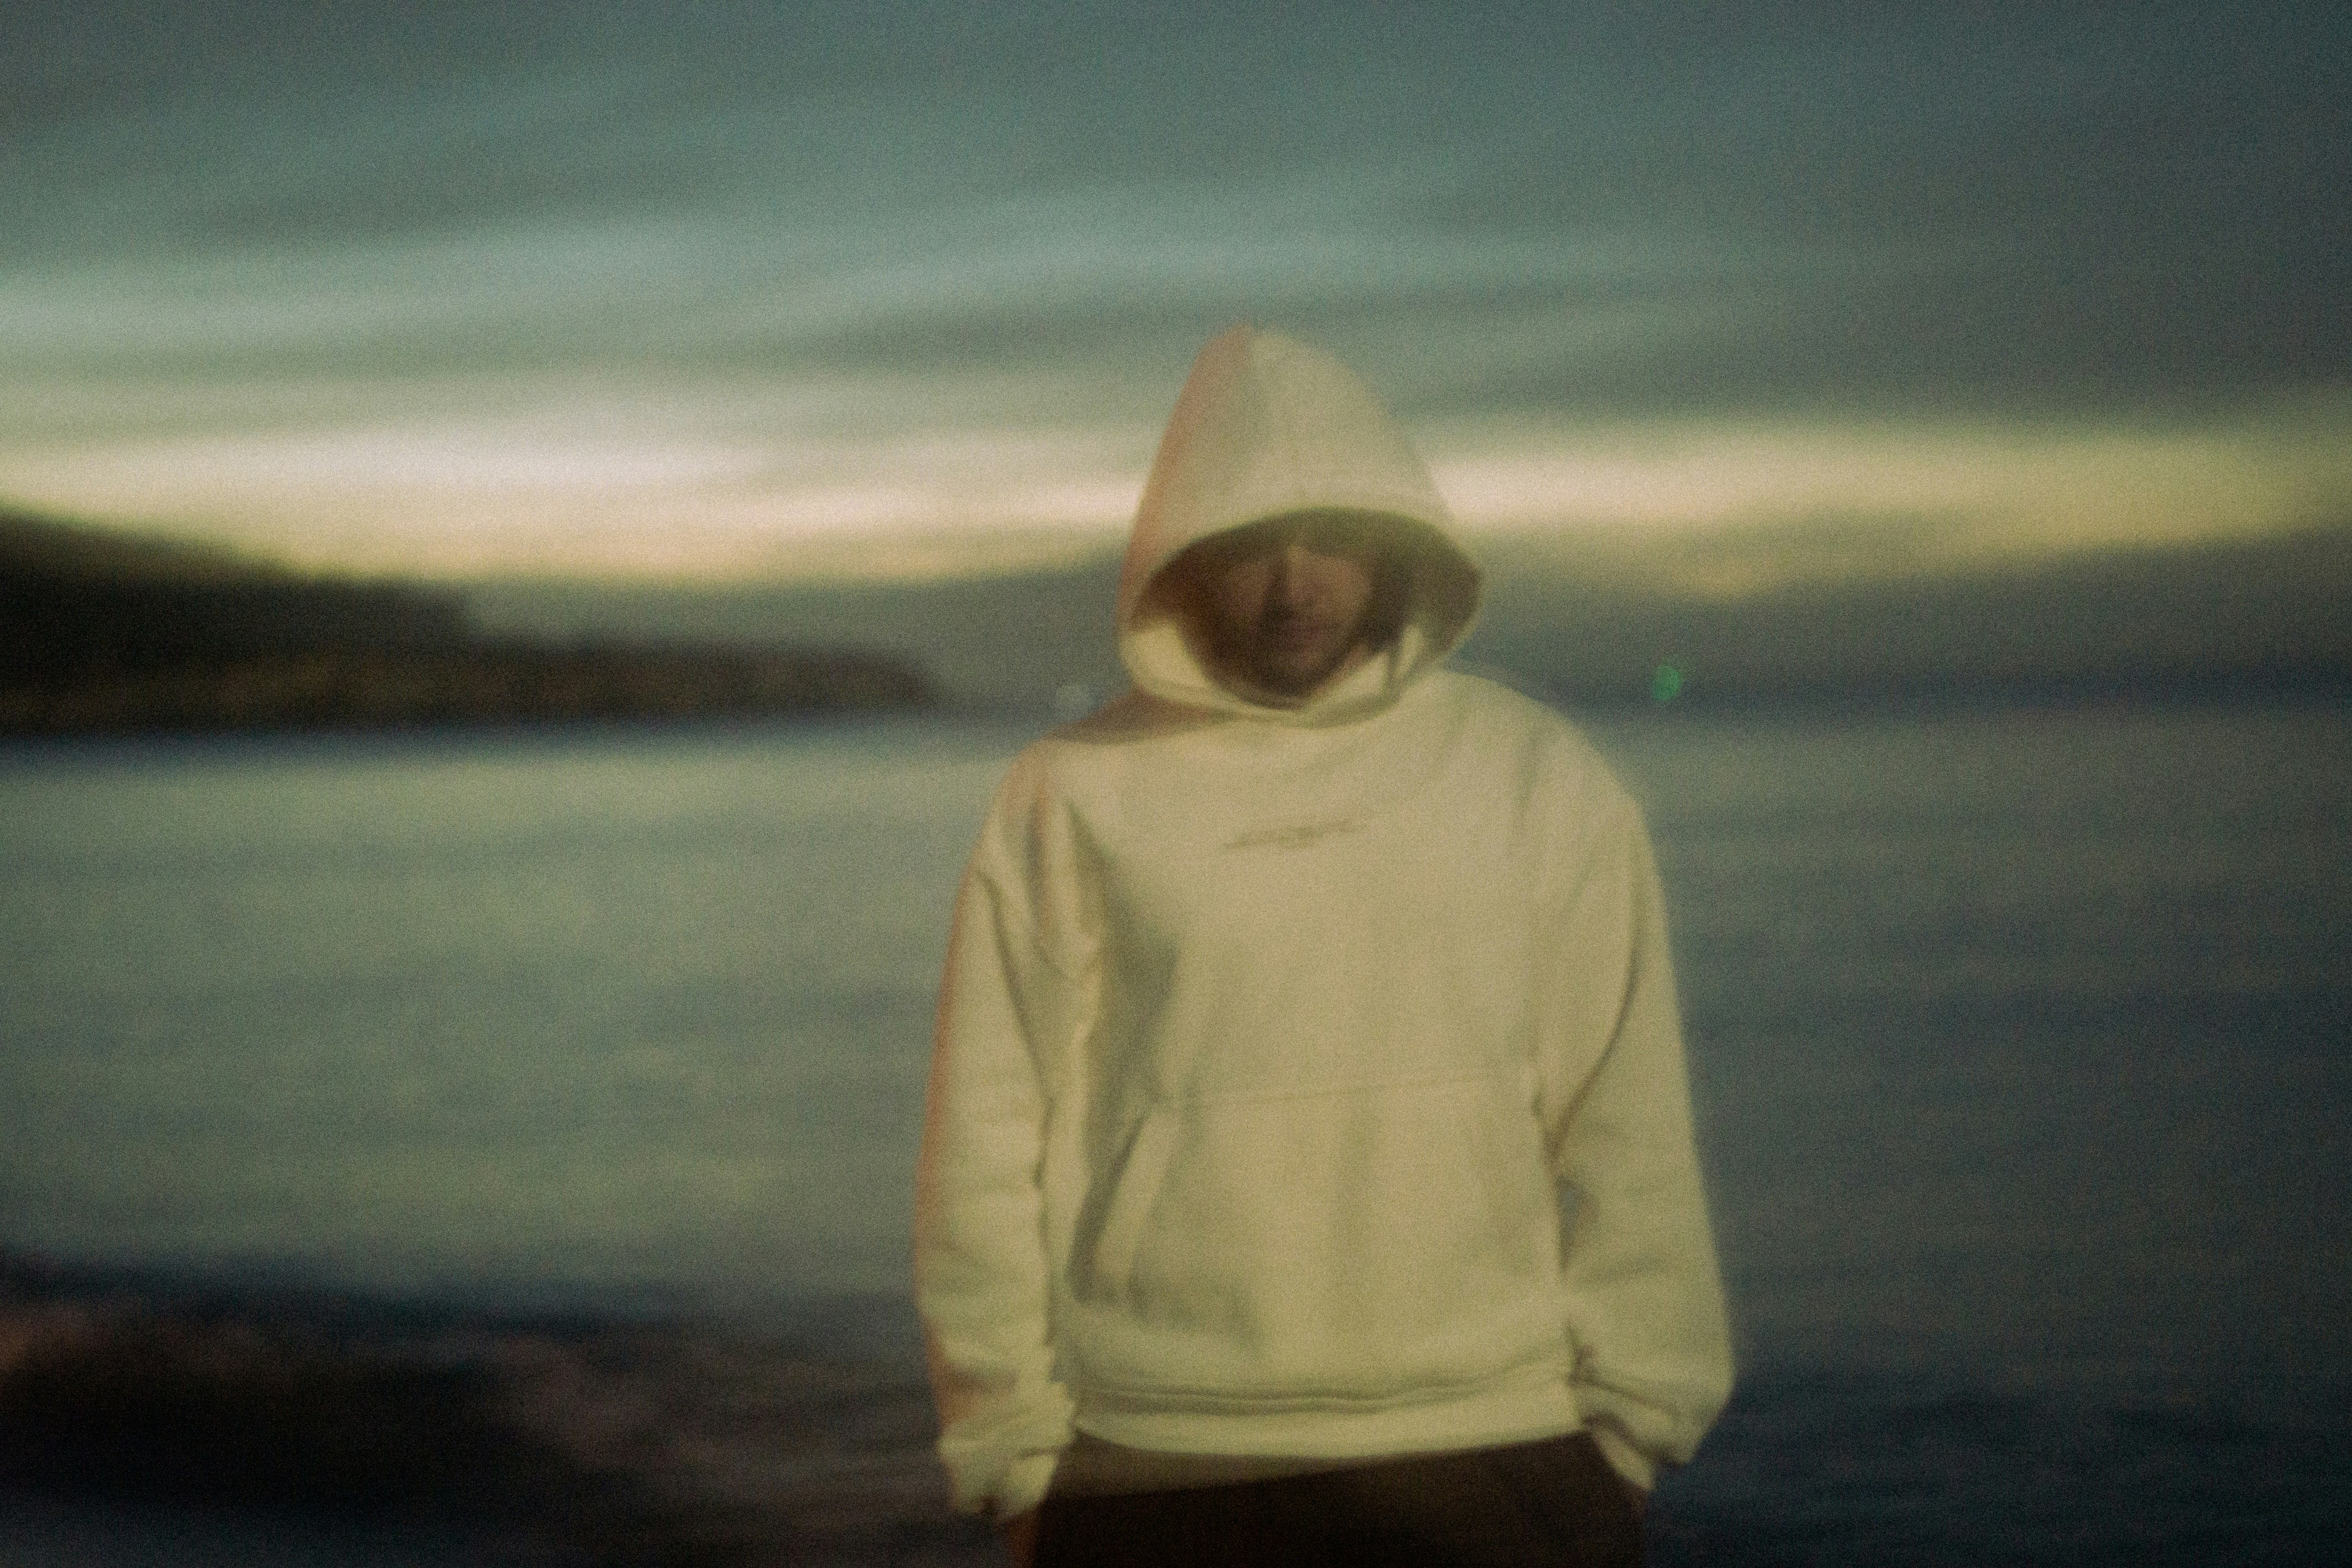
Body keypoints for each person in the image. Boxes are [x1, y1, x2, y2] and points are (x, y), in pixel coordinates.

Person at [914, 326, 1733, 1566]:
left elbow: (1630, 1122)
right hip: (1157, 1464)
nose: (1294, 585)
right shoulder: (1073, 793)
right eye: (1251, 546)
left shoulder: (1535, 781)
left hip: (1490, 1448)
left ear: (1398, 549)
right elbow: (984, 1139)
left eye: (1333, 541)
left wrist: (1631, 1429)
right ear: (1185, 558)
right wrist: (1014, 1455)